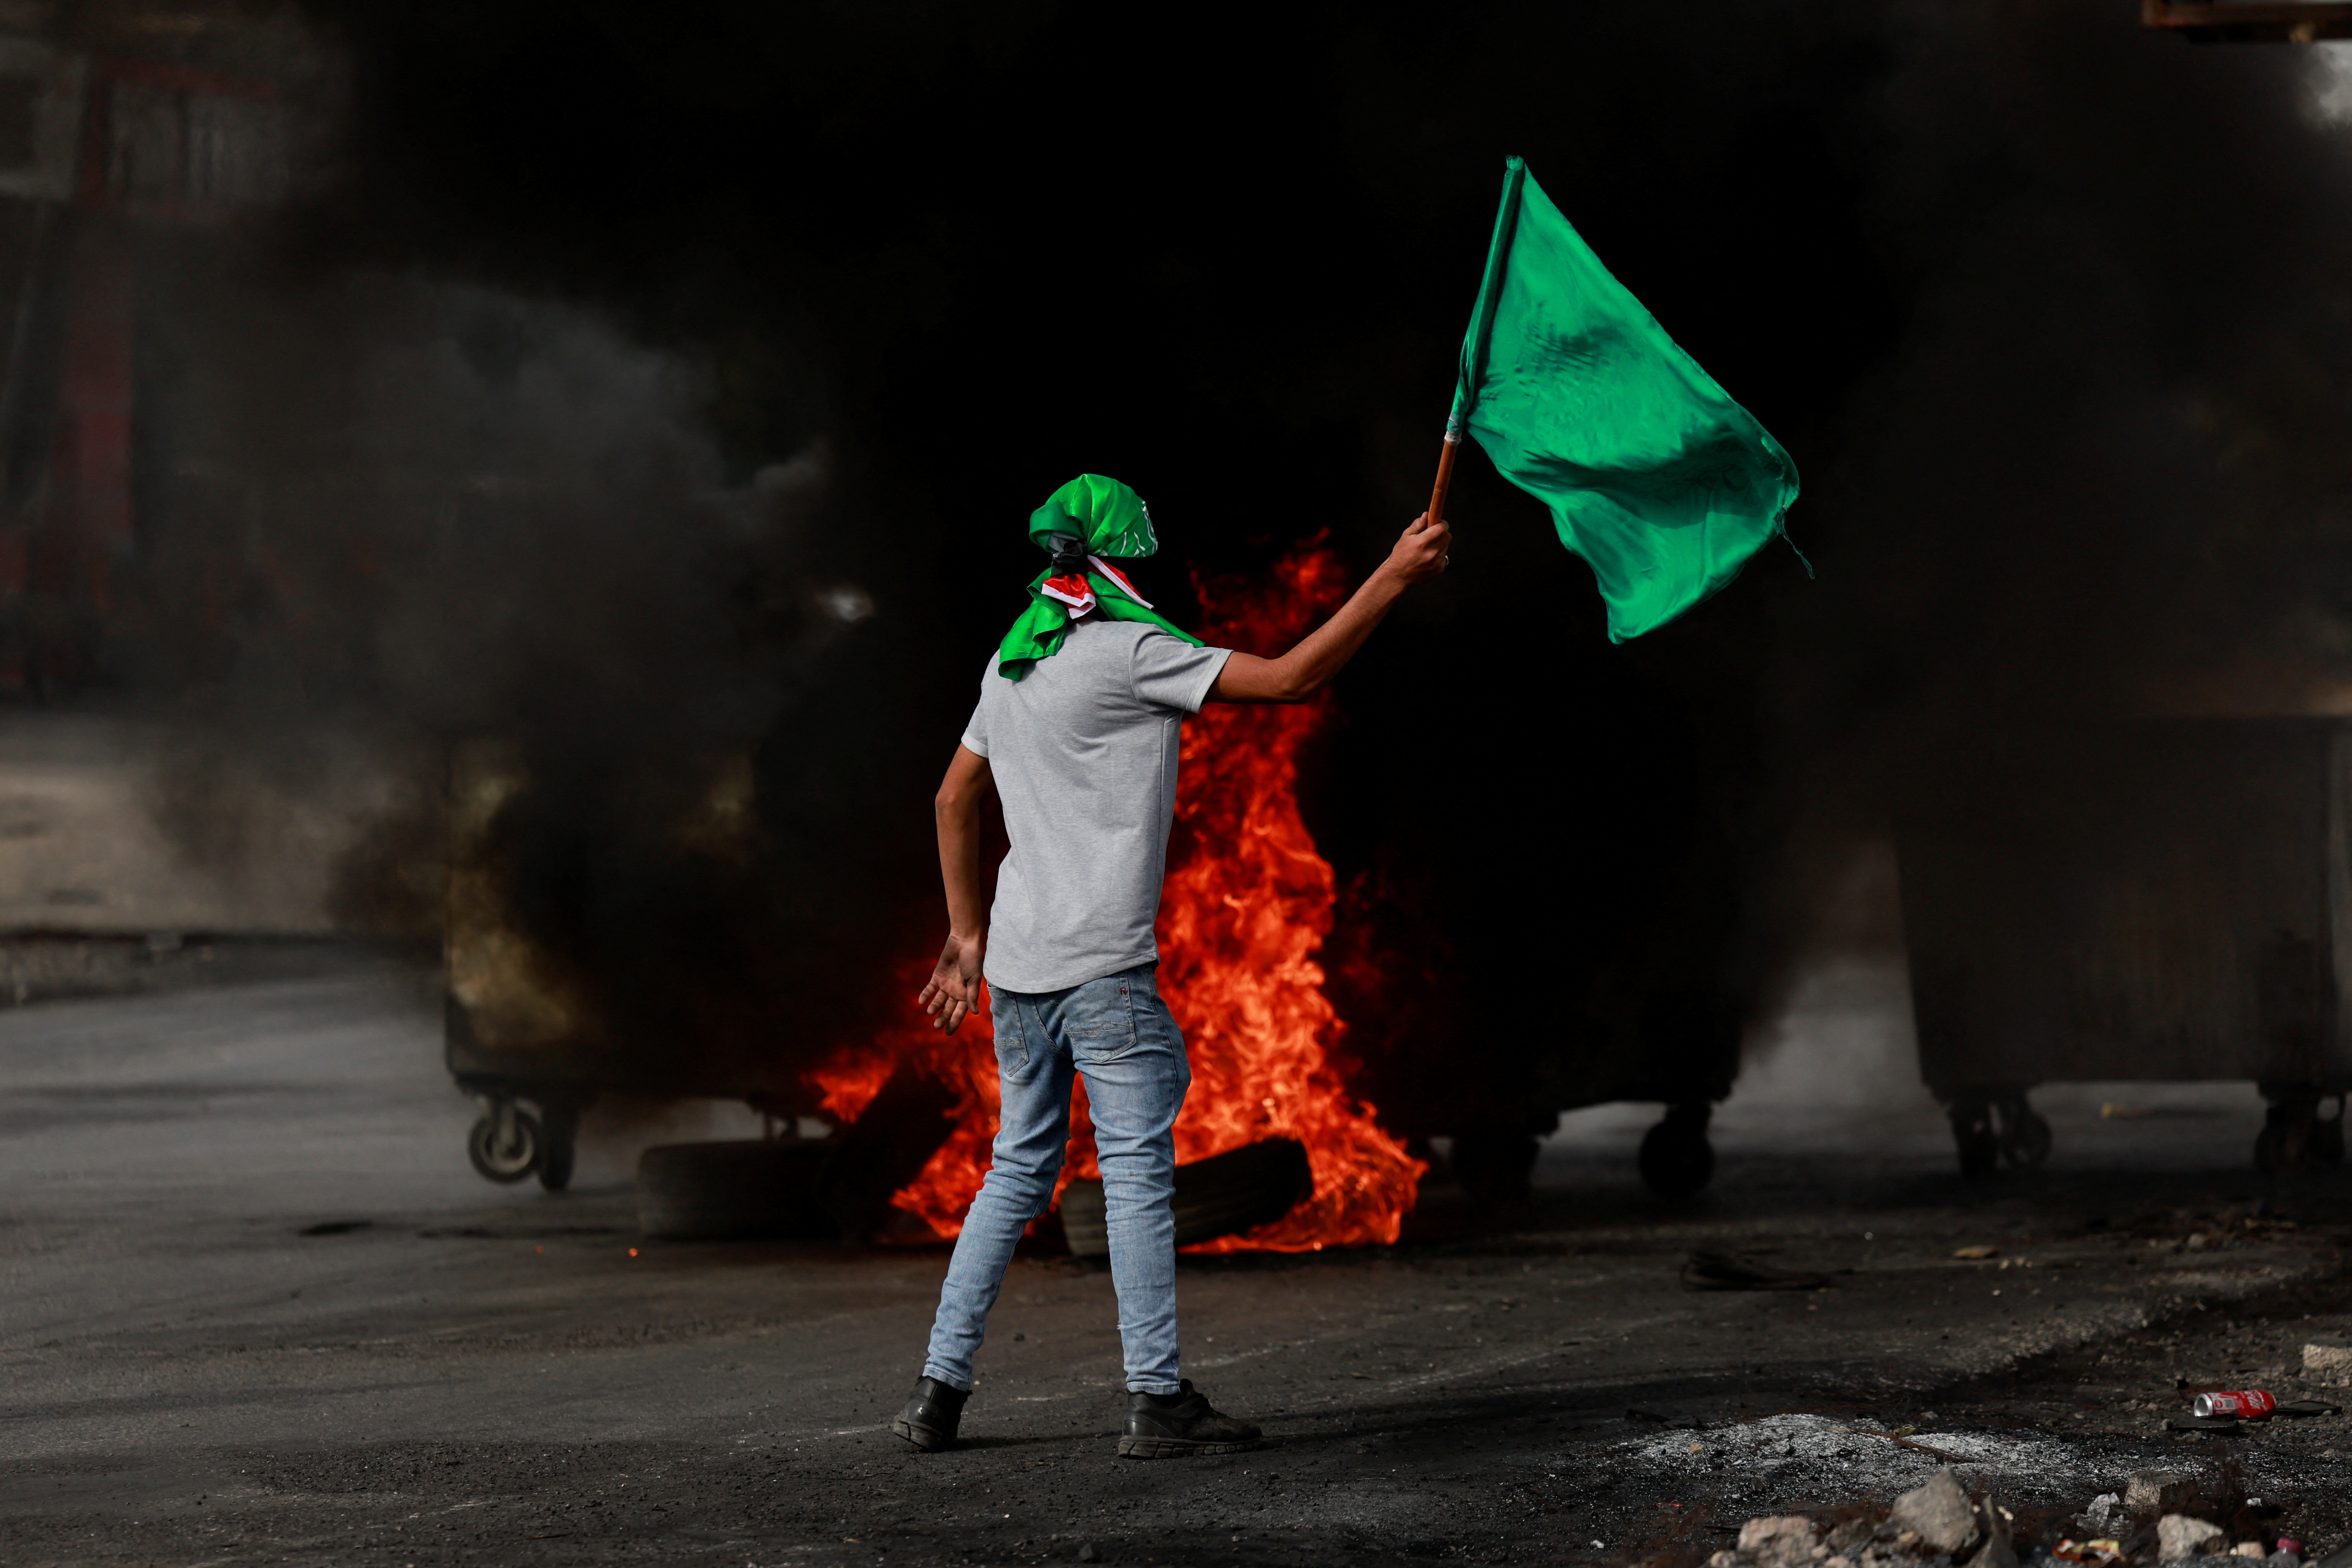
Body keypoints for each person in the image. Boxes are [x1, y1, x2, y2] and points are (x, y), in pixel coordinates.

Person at [892, 474, 1451, 1458]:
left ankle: (937, 1395)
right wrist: (1394, 576)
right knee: (1137, 1176)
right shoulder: (1129, 651)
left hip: (1020, 971)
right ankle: (1155, 1399)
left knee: (1012, 1175)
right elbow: (1289, 680)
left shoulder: (1012, 660)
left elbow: (950, 801)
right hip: (1103, 973)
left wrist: (967, 934)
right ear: (1122, 559)